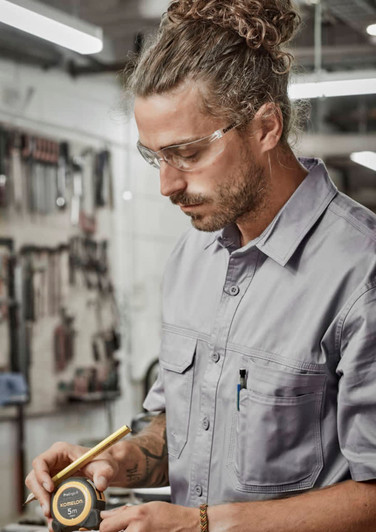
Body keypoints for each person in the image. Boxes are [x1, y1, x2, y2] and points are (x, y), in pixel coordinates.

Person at [26, 0, 376, 530]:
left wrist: (203, 524)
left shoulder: (361, 273)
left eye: (186, 153)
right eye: (155, 157)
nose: (166, 184)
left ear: (265, 128)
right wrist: (117, 461)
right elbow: (191, 428)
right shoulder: (195, 255)